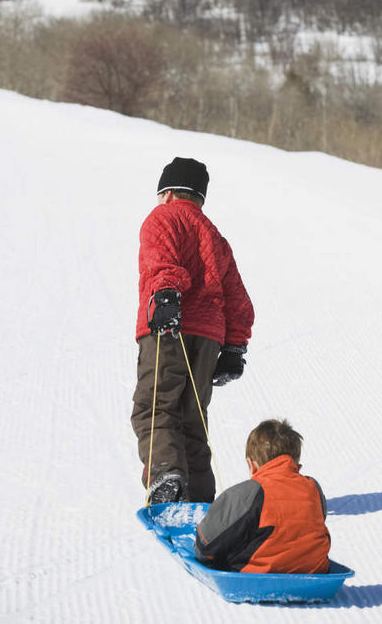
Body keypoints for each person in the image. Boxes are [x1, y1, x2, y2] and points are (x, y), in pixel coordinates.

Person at [131, 157, 254, 505]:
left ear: (167, 192)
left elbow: (161, 262)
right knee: (192, 416)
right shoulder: (215, 236)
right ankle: (200, 497)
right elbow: (237, 297)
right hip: (209, 336)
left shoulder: (162, 218)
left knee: (156, 406)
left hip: (170, 324)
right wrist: (233, 347)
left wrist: (166, 295)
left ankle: (166, 478)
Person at [194, 419, 331, 574]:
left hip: (259, 574)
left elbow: (205, 546)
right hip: (315, 571)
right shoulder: (313, 487)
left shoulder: (251, 492)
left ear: (252, 464)